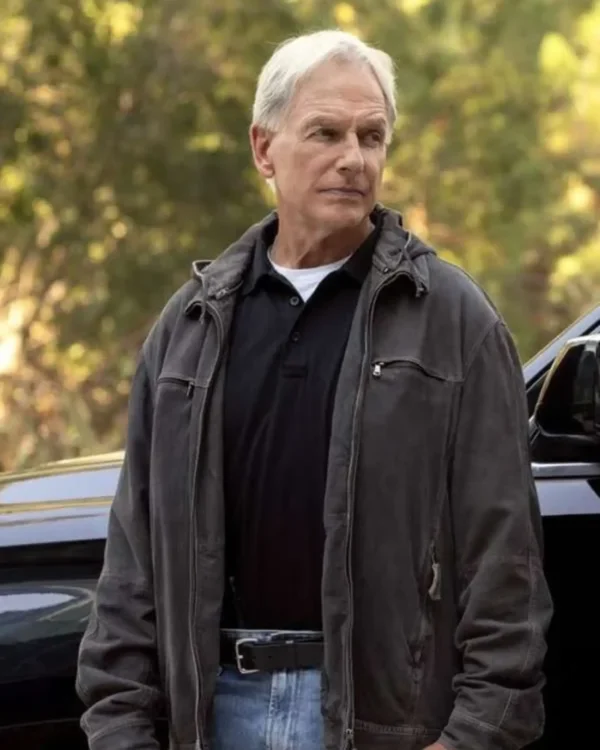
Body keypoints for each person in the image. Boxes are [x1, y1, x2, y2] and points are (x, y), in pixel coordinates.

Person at [76, 29, 553, 750]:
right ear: (264, 148)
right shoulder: (191, 324)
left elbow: (506, 560)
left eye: (371, 136)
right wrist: (119, 726)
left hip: (378, 723)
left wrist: (473, 736)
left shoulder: (454, 321)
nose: (353, 158)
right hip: (210, 715)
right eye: (326, 133)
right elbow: (133, 557)